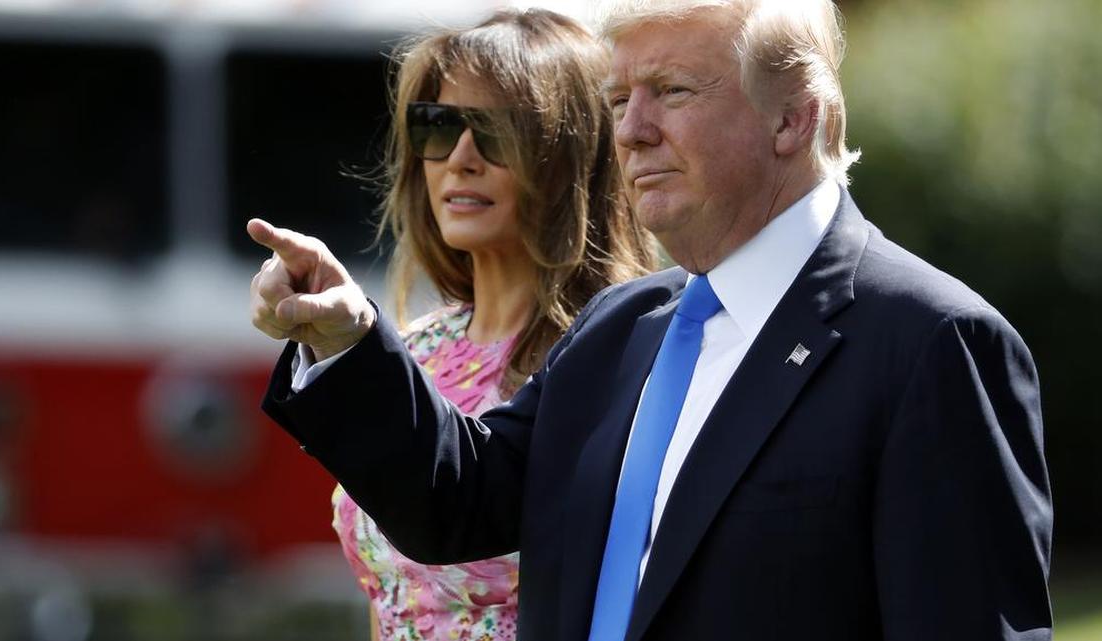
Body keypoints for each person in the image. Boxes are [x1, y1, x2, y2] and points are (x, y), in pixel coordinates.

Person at [253, 0, 1053, 640]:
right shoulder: (621, 325)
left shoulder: (930, 342)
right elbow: (459, 500)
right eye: (617, 100)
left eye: (670, 91)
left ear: (792, 119)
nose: (630, 131)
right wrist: (348, 336)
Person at [248, 9, 655, 641]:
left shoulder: (625, 358)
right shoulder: (412, 349)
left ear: (574, 155)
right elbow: (391, 595)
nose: (460, 157)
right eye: (437, 125)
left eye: (497, 131)